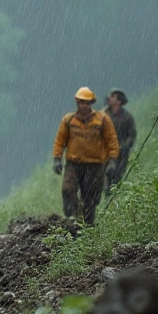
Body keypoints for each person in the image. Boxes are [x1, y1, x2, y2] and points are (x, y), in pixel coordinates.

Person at [52, 87, 120, 226]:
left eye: (88, 103)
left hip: (95, 166)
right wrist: (57, 159)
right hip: (73, 164)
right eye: (82, 102)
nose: (85, 105)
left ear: (92, 104)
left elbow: (111, 140)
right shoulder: (69, 120)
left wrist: (112, 161)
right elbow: (60, 141)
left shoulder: (102, 120)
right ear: (77, 103)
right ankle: (75, 219)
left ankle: (87, 228)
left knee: (90, 198)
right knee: (68, 190)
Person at [103, 89, 137, 190]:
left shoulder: (127, 117)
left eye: (113, 96)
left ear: (119, 101)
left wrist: (125, 145)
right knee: (104, 176)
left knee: (117, 177)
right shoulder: (103, 115)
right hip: (105, 152)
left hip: (121, 154)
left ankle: (112, 198)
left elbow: (132, 135)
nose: (109, 98)